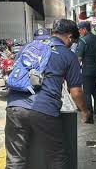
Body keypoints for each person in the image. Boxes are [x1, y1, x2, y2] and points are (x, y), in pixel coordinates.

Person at [5, 19, 90, 168]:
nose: (72, 44)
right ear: (70, 37)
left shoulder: (29, 47)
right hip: (44, 109)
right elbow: (76, 92)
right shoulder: (68, 55)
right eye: (73, 41)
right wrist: (84, 111)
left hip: (15, 106)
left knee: (15, 161)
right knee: (56, 157)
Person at [77, 21, 96, 122]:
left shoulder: (83, 41)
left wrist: (76, 69)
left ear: (85, 29)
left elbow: (79, 58)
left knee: (87, 92)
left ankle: (89, 116)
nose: (80, 32)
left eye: (80, 30)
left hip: (87, 70)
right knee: (93, 89)